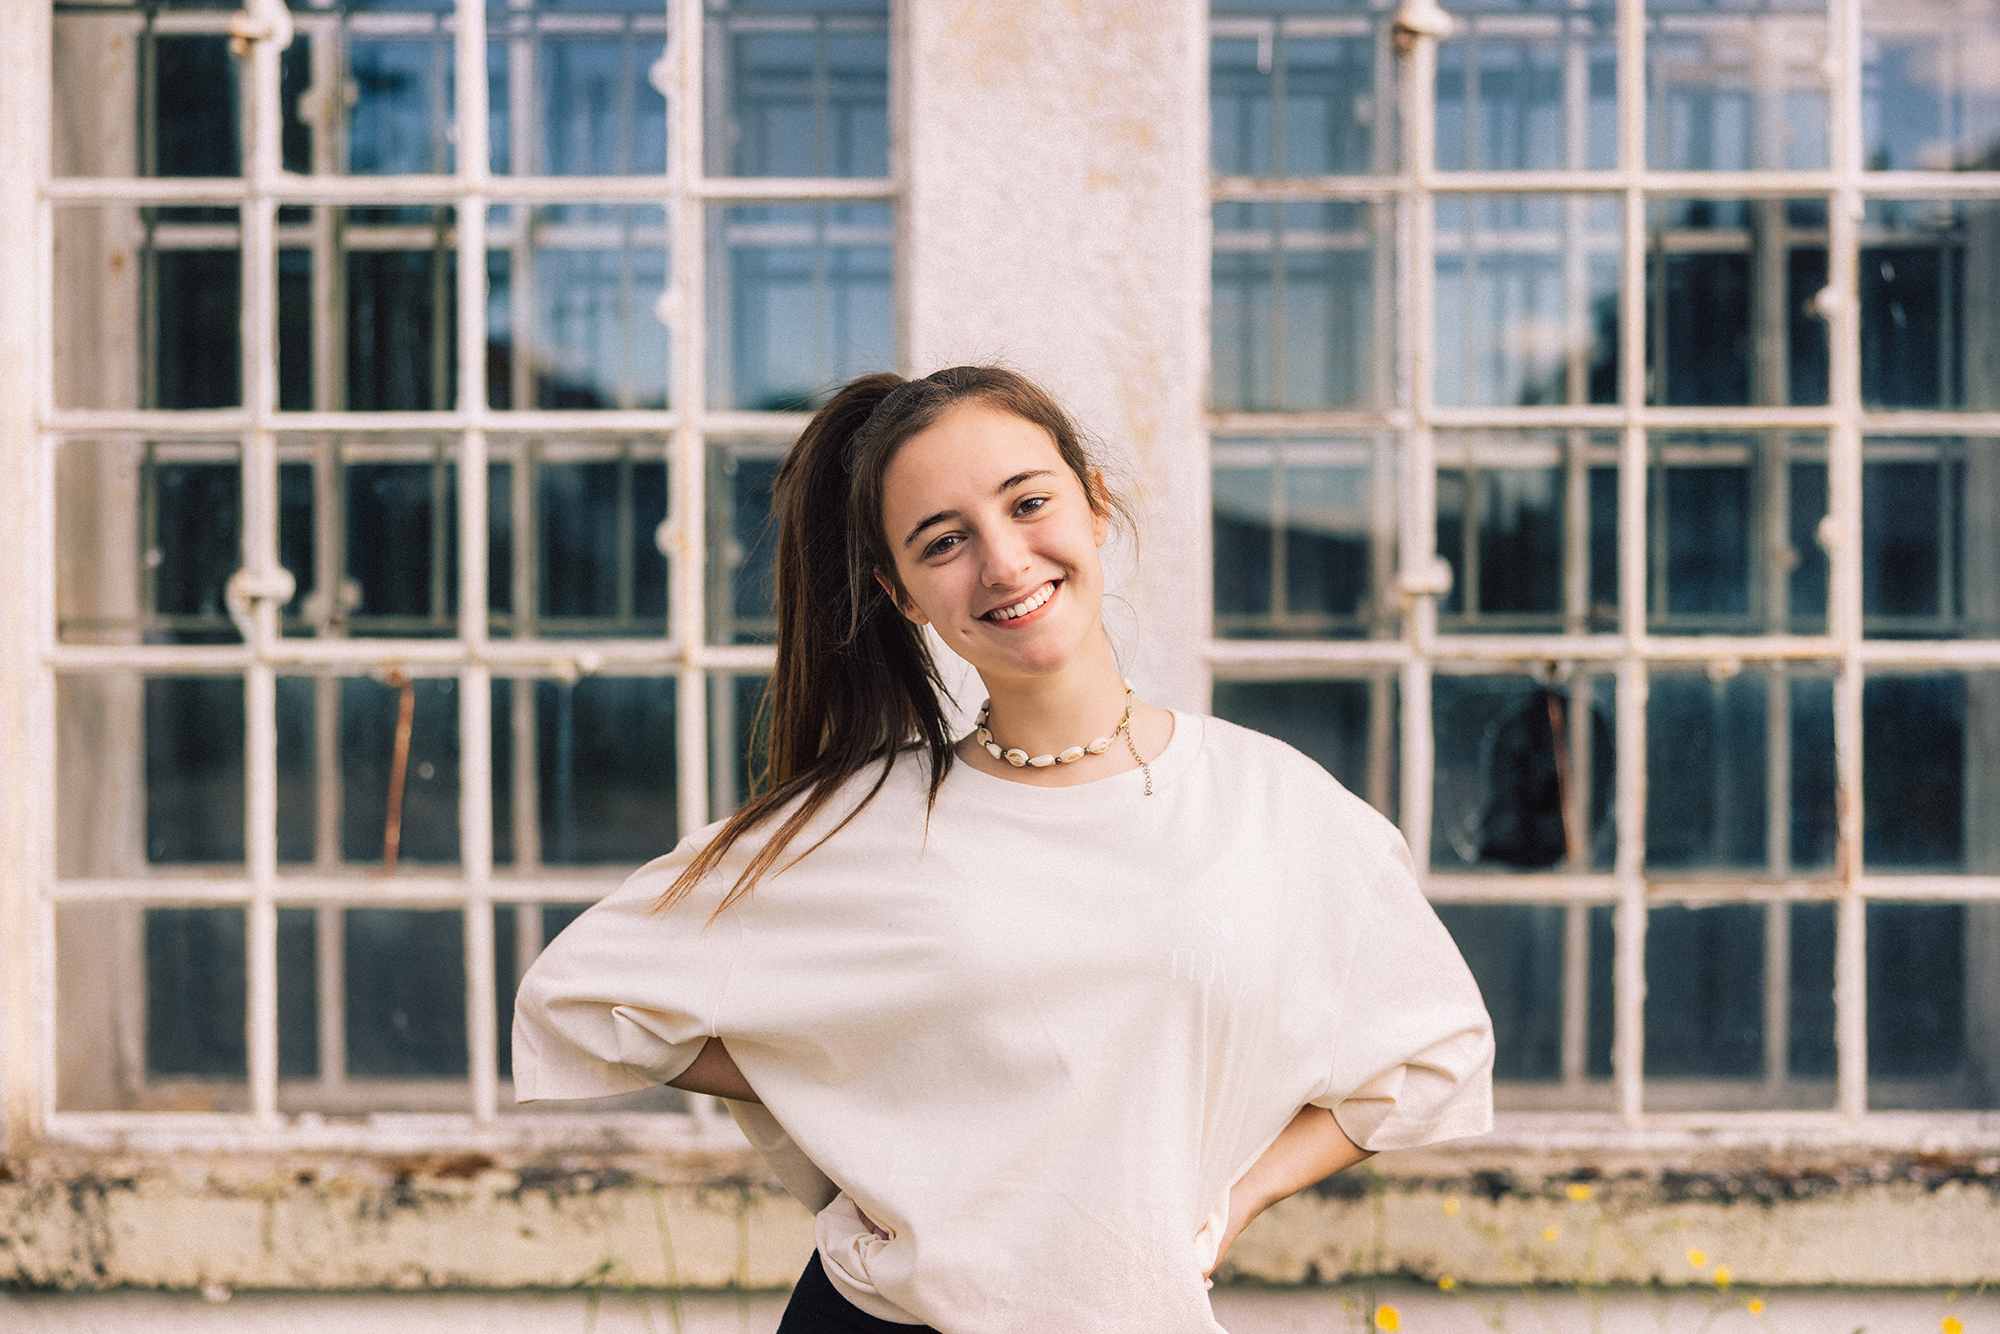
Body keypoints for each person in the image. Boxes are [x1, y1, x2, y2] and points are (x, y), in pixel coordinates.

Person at [513, 366, 1495, 1333]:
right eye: (943, 541)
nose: (1003, 560)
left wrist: (1230, 1200)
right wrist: (854, 1068)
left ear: (1094, 502)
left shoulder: (1267, 802)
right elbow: (586, 997)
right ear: (902, 595)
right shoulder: (863, 821)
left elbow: (1427, 1051)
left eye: (1027, 502)